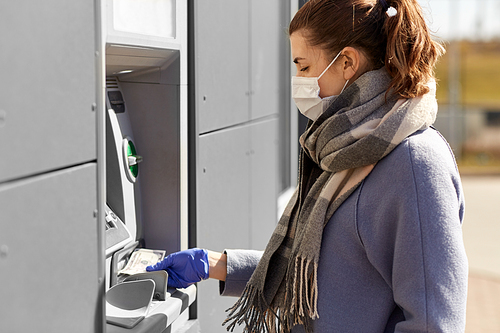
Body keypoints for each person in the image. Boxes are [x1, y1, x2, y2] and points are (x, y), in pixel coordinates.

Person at [147, 0, 468, 332]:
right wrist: (215, 265)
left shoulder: (414, 164)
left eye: (302, 66)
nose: (297, 80)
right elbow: (324, 277)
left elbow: (434, 325)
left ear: (346, 62)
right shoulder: (346, 149)